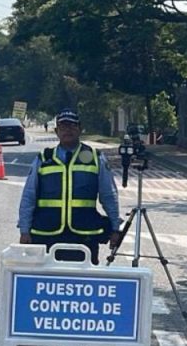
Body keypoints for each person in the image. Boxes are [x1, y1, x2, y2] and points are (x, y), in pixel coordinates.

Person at [18, 109, 125, 264]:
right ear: (56, 131)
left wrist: (115, 228)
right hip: (46, 233)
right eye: (63, 127)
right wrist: (24, 230)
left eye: (72, 126)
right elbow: (29, 195)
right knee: (46, 282)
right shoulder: (44, 158)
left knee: (83, 283)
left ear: (80, 129)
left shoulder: (94, 157)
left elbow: (108, 195)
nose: (67, 130)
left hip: (84, 235)